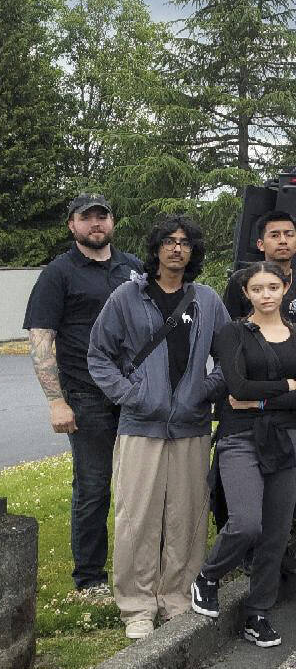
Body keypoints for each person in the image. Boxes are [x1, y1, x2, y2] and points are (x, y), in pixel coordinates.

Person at [87, 215, 228, 639]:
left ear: (193, 251)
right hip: (140, 426)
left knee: (186, 516)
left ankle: (177, 597)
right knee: (137, 517)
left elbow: (228, 357)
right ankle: (137, 607)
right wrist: (133, 396)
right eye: (168, 241)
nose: (177, 248)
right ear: (156, 248)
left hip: (191, 424)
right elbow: (99, 356)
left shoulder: (206, 299)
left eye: (185, 242)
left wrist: (204, 391)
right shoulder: (127, 297)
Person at [189, 263, 296, 648]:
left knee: (277, 533)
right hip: (240, 438)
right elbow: (237, 386)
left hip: (288, 439)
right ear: (246, 292)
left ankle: (258, 612)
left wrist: (258, 400)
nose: (266, 295)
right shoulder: (232, 333)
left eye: (273, 287)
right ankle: (208, 577)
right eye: (257, 288)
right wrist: (283, 387)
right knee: (247, 522)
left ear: (285, 289)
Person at [23, 194, 141, 598]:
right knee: (93, 487)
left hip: (132, 394)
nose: (95, 223)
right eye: (86, 218)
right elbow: (41, 339)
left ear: (113, 222)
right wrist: (56, 400)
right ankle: (89, 578)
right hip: (86, 395)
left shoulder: (133, 269)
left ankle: (140, 569)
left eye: (102, 216)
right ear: (72, 226)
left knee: (139, 484)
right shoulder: (58, 273)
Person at [221, 210, 296, 342]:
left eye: (289, 235)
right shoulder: (241, 280)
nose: (283, 241)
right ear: (260, 244)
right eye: (275, 235)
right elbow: (228, 332)